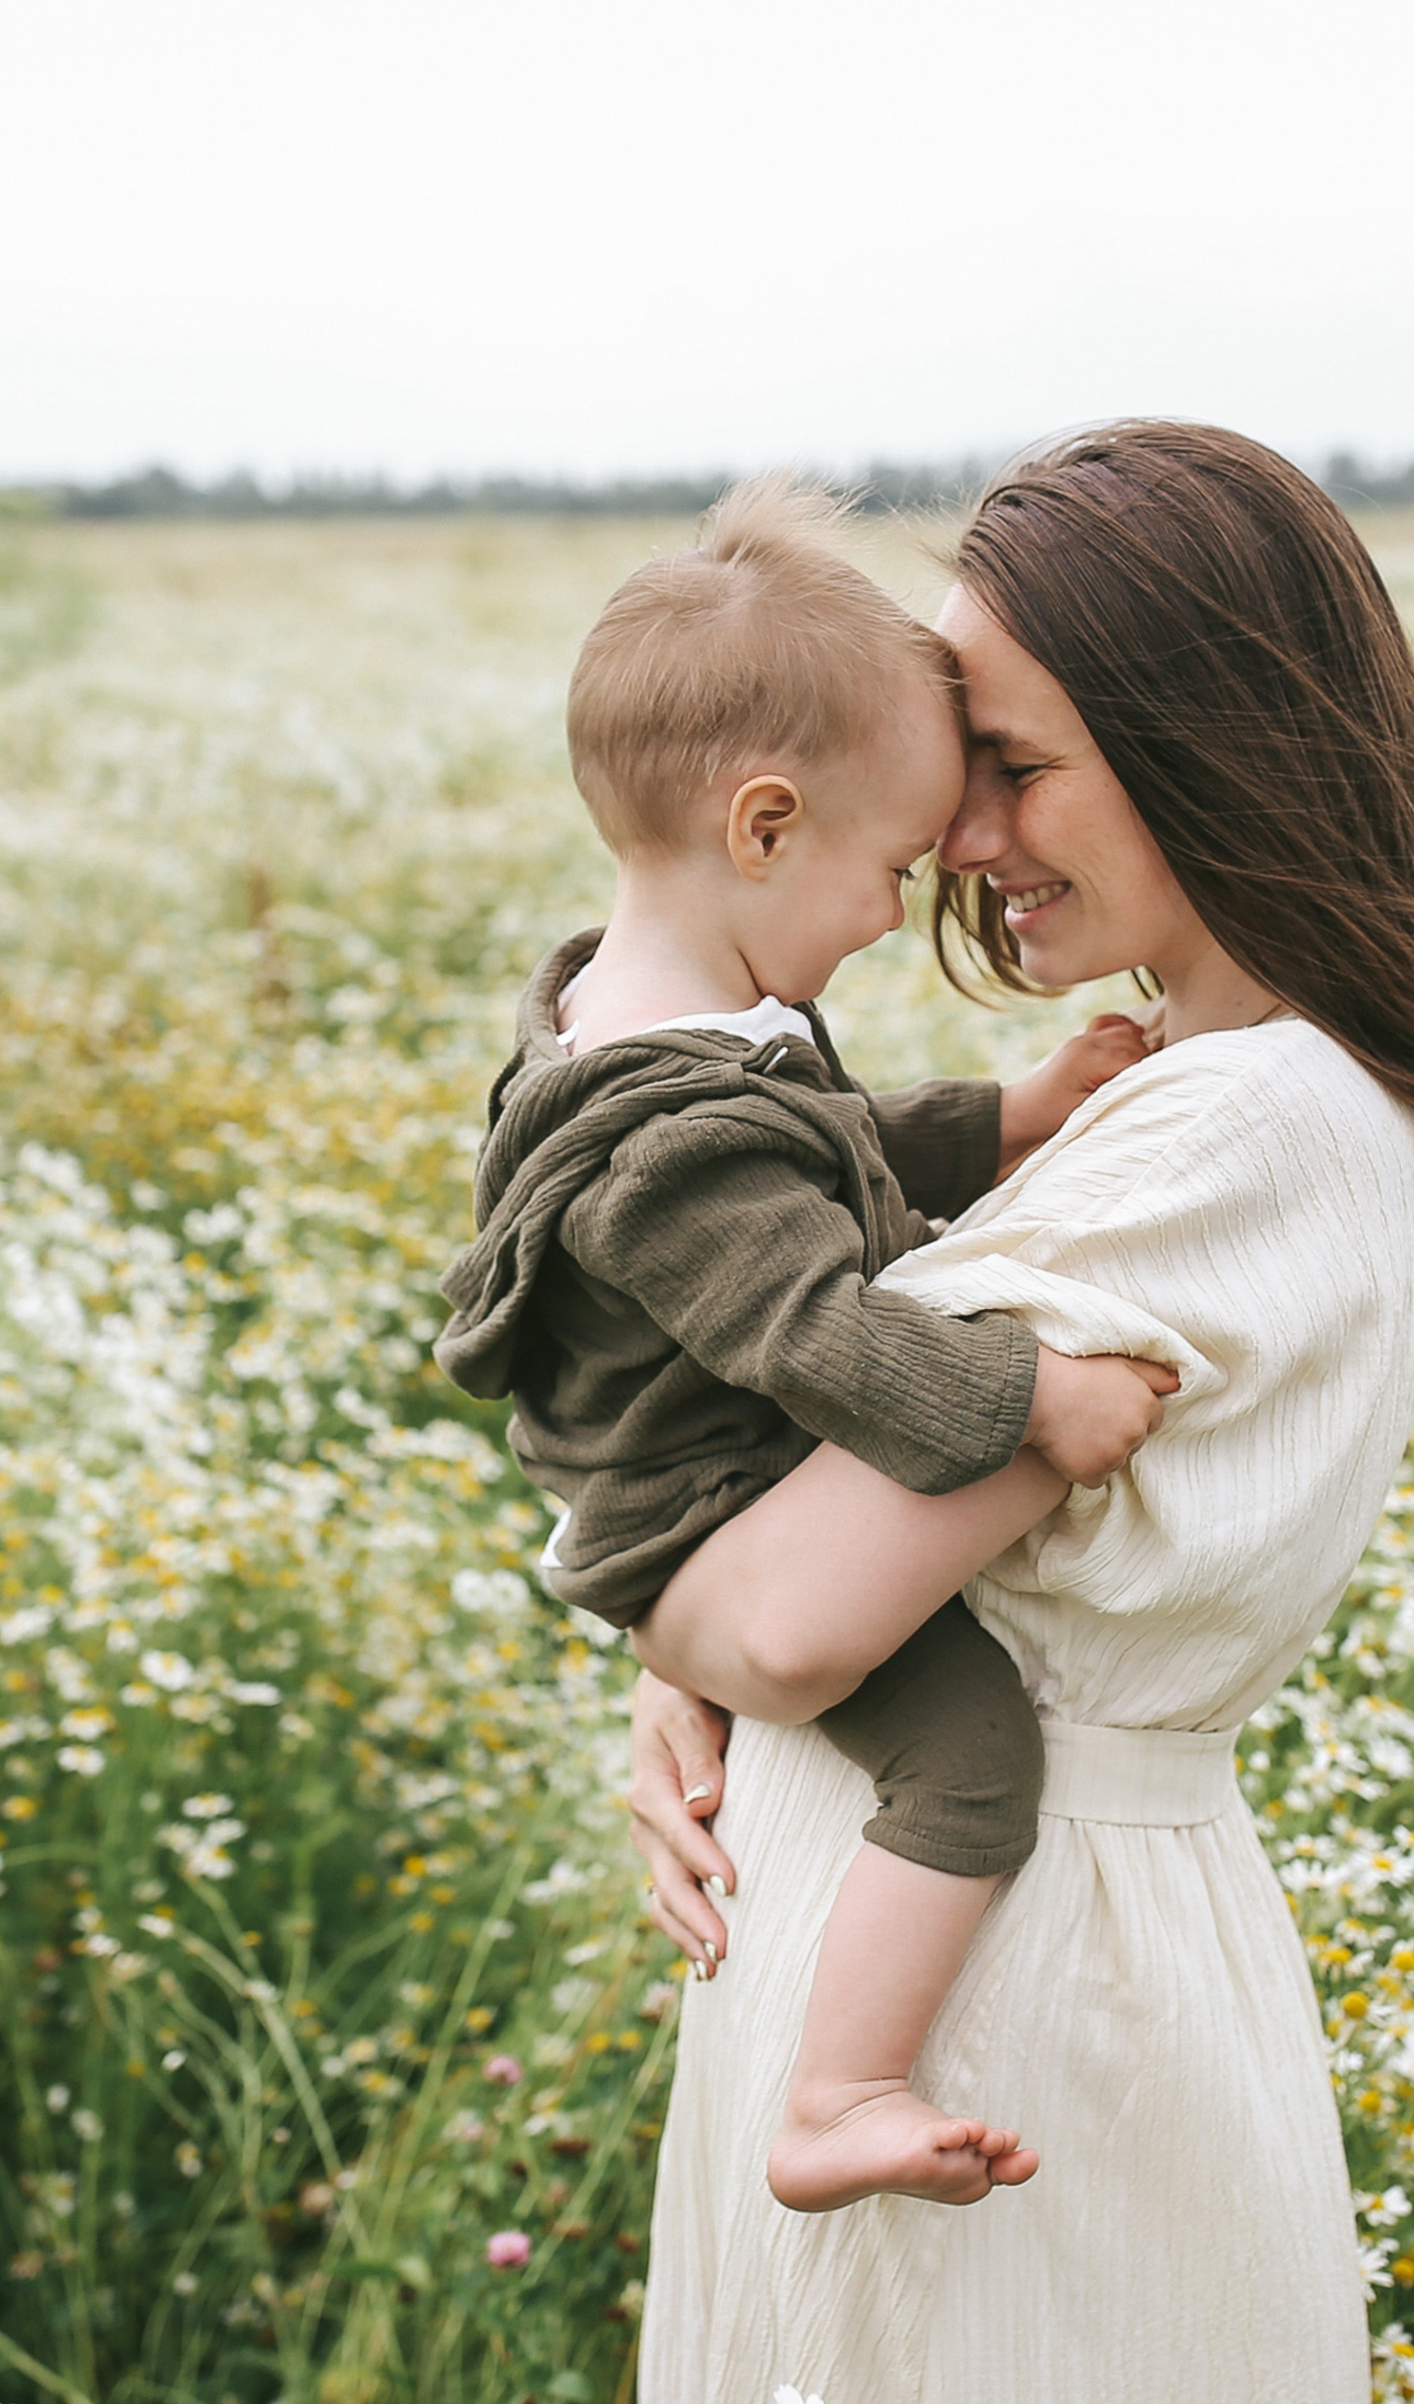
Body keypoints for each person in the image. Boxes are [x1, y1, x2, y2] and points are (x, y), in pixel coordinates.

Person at [626, 422, 1414, 2404]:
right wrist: (696, 1662)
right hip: (955, 1952)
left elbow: (791, 1616)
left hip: (1007, 1999)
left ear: (1208, 747)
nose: (957, 835)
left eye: (1013, 765)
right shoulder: (1216, 1089)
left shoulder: (1241, 1123)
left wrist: (664, 1628)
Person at [434, 478, 1180, 2214]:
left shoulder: (653, 1034)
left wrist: (1012, 1114)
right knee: (971, 1761)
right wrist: (1036, 1399)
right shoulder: (670, 1142)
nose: (897, 912)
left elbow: (828, 1150)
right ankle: (838, 2094)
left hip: (703, 1496)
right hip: (712, 1512)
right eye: (892, 868)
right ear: (764, 826)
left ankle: (840, 2083)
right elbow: (820, 1328)